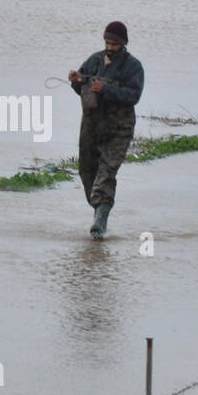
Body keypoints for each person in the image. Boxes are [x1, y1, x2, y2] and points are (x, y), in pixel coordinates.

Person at [68, 21, 144, 238]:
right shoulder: (94, 60)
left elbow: (134, 96)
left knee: (106, 173)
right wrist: (76, 81)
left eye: (114, 44)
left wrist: (107, 89)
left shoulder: (134, 67)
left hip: (119, 129)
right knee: (87, 172)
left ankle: (100, 222)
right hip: (91, 126)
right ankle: (99, 211)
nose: (110, 47)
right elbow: (82, 86)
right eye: (107, 42)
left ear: (123, 43)